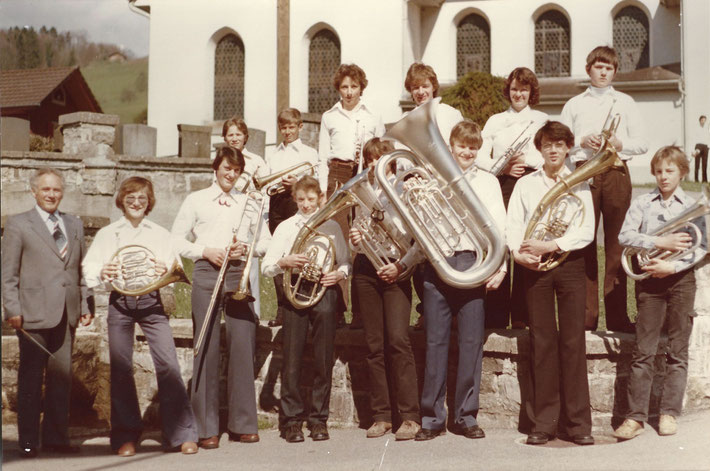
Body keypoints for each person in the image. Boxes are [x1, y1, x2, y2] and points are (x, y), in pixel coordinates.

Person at [82, 177, 198, 456]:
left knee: (168, 365)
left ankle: (181, 433)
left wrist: (163, 268)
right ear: (122, 200)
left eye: (142, 199)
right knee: (121, 370)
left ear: (149, 203)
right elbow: (89, 267)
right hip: (120, 302)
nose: (136, 203)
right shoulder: (109, 234)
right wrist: (102, 272)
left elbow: (176, 268)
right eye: (131, 197)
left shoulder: (159, 233)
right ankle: (126, 436)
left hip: (151, 302)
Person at [171, 146, 270, 449]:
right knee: (207, 346)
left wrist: (248, 250)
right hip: (207, 270)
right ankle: (205, 428)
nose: (231, 174)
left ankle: (243, 424)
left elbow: (265, 240)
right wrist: (204, 251)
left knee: (243, 345)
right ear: (216, 168)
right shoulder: (196, 199)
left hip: (237, 271)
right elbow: (175, 237)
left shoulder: (249, 203)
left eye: (237, 170)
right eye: (227, 168)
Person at [415, 121, 506, 441]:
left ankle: (466, 416)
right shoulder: (431, 179)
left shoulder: (489, 182)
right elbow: (420, 222)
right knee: (435, 343)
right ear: (450, 146)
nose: (467, 152)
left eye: (472, 147)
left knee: (470, 344)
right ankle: (431, 418)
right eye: (461, 146)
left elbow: (499, 228)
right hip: (438, 263)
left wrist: (500, 267)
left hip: (472, 262)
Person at [507, 121, 595, 446]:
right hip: (534, 267)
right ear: (540, 148)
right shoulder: (526, 185)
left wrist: (552, 246)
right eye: (548, 145)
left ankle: (577, 425)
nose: (554, 149)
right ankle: (543, 422)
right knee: (542, 341)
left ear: (568, 147)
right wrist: (519, 255)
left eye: (560, 144)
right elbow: (513, 225)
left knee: (573, 341)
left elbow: (587, 230)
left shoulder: (579, 183)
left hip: (569, 263)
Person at [614, 146, 707, 440]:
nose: (663, 177)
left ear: (681, 173)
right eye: (659, 171)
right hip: (650, 283)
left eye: (670, 171)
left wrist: (672, 266)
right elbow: (625, 236)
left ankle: (668, 414)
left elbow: (702, 247)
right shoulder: (643, 203)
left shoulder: (691, 205)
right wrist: (660, 240)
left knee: (677, 352)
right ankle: (635, 417)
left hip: (680, 281)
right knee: (644, 351)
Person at [2, 168, 93, 458]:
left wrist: (85, 304)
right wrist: (12, 308)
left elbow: (82, 269)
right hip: (31, 313)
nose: (51, 195)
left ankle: (56, 438)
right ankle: (28, 441)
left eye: (56, 190)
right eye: (45, 190)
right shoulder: (18, 224)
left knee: (61, 378)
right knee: (30, 379)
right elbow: (8, 274)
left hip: (66, 312)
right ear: (34, 192)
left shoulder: (74, 224)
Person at [561, 45, 648, 332]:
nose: (603, 72)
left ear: (614, 72)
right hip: (585, 172)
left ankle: (618, 317)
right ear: (589, 69)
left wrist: (619, 144)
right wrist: (581, 142)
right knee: (584, 243)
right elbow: (562, 143)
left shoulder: (626, 101)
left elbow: (642, 142)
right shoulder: (574, 104)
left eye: (609, 68)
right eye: (598, 67)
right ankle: (586, 319)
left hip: (615, 172)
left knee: (616, 244)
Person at [261, 175, 351, 443]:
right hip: (295, 291)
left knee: (323, 359)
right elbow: (266, 267)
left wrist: (339, 274)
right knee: (292, 359)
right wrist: (284, 261)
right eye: (301, 199)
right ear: (295, 199)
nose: (307, 205)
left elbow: (345, 262)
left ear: (320, 198)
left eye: (312, 199)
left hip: (324, 290)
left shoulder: (332, 225)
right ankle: (291, 421)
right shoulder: (286, 227)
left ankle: (318, 420)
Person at [349, 138, 421, 440]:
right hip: (367, 268)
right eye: (369, 160)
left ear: (390, 163)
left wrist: (401, 266)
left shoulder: (406, 190)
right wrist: (356, 236)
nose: (372, 165)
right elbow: (361, 230)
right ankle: (381, 415)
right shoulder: (363, 194)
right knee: (373, 344)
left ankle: (410, 416)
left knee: (398, 341)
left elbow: (421, 240)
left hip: (397, 267)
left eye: (378, 159)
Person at [477, 67, 548, 329]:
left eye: (525, 89)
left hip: (531, 183)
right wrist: (503, 165)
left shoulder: (541, 119)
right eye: (515, 89)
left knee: (525, 242)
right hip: (502, 183)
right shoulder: (495, 121)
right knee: (501, 242)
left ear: (532, 92)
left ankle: (521, 316)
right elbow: (479, 155)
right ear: (508, 91)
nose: (519, 94)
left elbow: (547, 154)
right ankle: (495, 316)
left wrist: (524, 160)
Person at [403, 62, 465, 330]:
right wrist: (409, 174)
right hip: (420, 193)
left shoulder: (449, 113)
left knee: (449, 246)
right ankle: (426, 309)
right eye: (415, 87)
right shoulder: (406, 120)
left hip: (446, 190)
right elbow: (402, 159)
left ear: (433, 86)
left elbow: (459, 147)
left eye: (424, 86)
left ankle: (452, 308)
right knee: (422, 253)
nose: (420, 92)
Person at [265, 107, 319, 328]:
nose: (287, 132)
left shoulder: (309, 153)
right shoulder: (274, 155)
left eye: (291, 127)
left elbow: (313, 181)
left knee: (304, 249)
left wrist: (295, 184)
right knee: (280, 252)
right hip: (278, 203)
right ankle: (282, 306)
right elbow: (266, 182)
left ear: (300, 127)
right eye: (283, 128)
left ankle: (305, 299)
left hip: (299, 202)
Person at [222, 117, 268, 320]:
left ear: (245, 137)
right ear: (225, 137)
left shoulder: (256, 161)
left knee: (250, 265)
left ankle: (253, 314)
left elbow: (266, 191)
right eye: (230, 134)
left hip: (248, 216)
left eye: (238, 134)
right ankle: (227, 312)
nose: (234, 138)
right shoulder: (220, 160)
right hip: (226, 215)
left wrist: (255, 196)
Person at [692, 115, 708, 183]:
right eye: (702, 120)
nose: (703, 122)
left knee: (704, 164)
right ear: (700, 121)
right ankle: (696, 179)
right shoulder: (696, 128)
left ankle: (704, 179)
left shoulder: (707, 129)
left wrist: (708, 146)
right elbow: (694, 139)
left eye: (704, 120)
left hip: (705, 146)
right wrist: (694, 150)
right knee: (697, 164)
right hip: (698, 146)